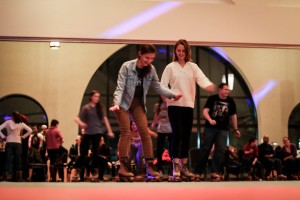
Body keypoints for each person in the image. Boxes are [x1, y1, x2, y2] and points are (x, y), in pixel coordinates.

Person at [109, 44, 182, 180]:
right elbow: (119, 87)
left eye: (152, 58)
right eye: (146, 57)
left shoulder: (151, 69)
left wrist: (172, 94)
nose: (148, 61)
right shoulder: (127, 66)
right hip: (123, 103)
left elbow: (158, 87)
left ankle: (150, 165)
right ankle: (123, 166)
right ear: (140, 54)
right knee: (126, 132)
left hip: (137, 103)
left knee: (144, 132)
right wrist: (116, 103)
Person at [160, 39, 215, 180]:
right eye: (178, 50)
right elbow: (162, 86)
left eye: (183, 51)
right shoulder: (170, 67)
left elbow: (202, 78)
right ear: (175, 51)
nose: (181, 53)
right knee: (177, 134)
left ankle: (184, 166)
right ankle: (175, 166)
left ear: (187, 51)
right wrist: (170, 96)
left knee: (185, 136)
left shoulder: (192, 67)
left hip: (188, 105)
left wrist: (208, 85)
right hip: (174, 105)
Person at [195, 83, 240, 180]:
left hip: (223, 129)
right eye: (225, 89)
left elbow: (233, 116)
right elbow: (205, 111)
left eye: (228, 90)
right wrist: (210, 120)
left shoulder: (230, 101)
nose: (227, 91)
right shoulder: (212, 99)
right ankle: (198, 172)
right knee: (206, 149)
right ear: (220, 90)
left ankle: (214, 172)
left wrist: (236, 129)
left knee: (219, 150)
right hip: (210, 128)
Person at [75, 90, 115, 181]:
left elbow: (105, 119)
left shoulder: (100, 108)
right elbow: (77, 118)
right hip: (88, 133)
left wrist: (110, 131)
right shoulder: (86, 108)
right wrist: (82, 124)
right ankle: (80, 171)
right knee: (83, 153)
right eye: (96, 96)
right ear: (91, 97)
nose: (97, 98)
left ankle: (95, 171)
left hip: (97, 132)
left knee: (95, 152)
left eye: (98, 96)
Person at [0, 111, 32, 181]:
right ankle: (19, 177)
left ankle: (6, 176)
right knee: (18, 159)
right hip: (18, 142)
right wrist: (23, 136)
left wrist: (3, 137)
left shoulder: (8, 122)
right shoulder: (21, 123)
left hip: (9, 141)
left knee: (8, 159)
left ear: (13, 116)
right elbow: (30, 130)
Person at [151, 96, 172, 172]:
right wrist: (153, 124)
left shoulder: (171, 103)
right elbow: (156, 115)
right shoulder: (158, 105)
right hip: (161, 129)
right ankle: (159, 167)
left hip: (170, 129)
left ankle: (173, 167)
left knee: (171, 148)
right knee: (159, 148)